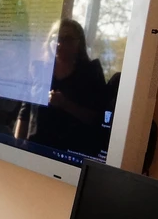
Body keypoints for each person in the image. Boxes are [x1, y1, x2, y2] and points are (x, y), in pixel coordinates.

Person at [15, 19, 106, 156]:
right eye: (55, 38)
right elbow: (25, 111)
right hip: (35, 151)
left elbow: (98, 120)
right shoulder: (38, 69)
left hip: (72, 155)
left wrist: (65, 104)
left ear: (79, 43)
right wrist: (16, 148)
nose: (59, 43)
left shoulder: (91, 73)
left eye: (67, 39)